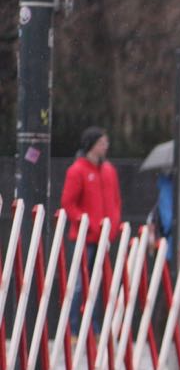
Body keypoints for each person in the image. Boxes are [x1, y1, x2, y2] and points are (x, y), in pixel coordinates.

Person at [60, 126, 121, 334]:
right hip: (83, 238)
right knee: (79, 285)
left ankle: (93, 328)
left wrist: (111, 226)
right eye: (102, 143)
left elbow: (115, 202)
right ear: (92, 145)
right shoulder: (77, 171)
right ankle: (74, 329)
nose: (106, 146)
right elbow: (68, 203)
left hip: (103, 236)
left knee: (96, 285)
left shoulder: (109, 171)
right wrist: (86, 223)